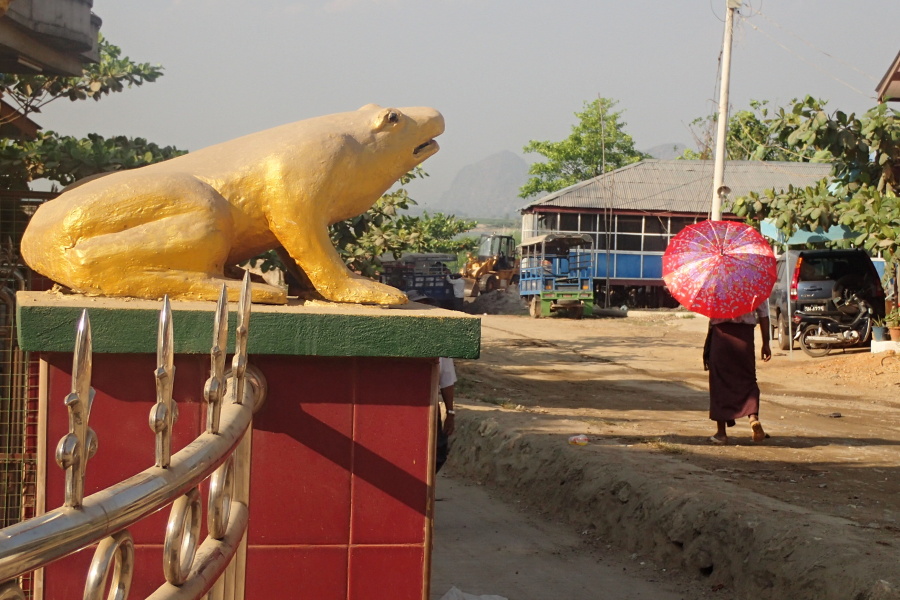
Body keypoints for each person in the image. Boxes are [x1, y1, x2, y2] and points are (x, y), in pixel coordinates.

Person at [703, 299, 771, 445]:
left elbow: (706, 309)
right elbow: (764, 315)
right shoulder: (753, 285)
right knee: (747, 378)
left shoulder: (715, 285)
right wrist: (766, 343)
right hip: (745, 337)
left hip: (721, 335)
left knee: (719, 381)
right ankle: (753, 417)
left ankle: (721, 433)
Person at [435, 357, 456, 473]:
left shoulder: (441, 343)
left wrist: (450, 413)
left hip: (429, 405)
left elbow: (447, 380)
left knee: (438, 453)